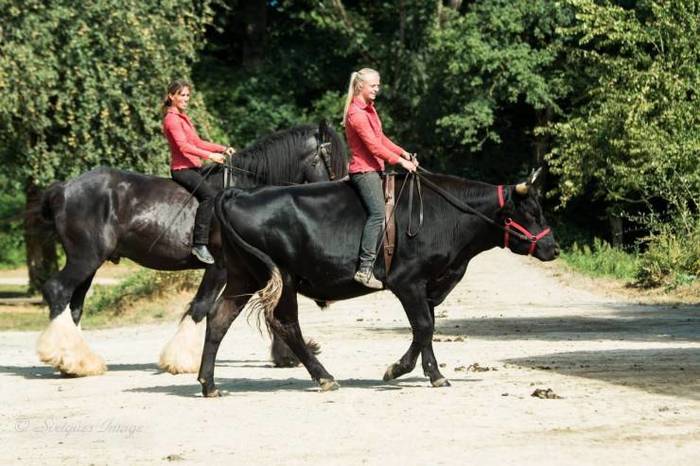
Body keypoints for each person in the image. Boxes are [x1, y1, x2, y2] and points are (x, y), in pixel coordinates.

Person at [342, 68, 417, 289]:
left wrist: (403, 152)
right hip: (364, 172)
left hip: (376, 168)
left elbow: (381, 138)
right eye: (373, 85)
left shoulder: (369, 110)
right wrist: (401, 162)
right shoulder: (356, 114)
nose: (377, 89)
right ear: (360, 87)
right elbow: (373, 146)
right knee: (377, 214)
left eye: (378, 85)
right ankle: (365, 269)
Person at [162, 79, 235, 264]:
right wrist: (210, 156)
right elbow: (184, 147)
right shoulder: (172, 119)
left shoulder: (183, 118)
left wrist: (222, 148)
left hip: (195, 167)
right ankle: (200, 244)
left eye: (187, 95)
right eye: (182, 95)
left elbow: (198, 142)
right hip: (182, 170)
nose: (186, 99)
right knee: (209, 196)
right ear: (172, 96)